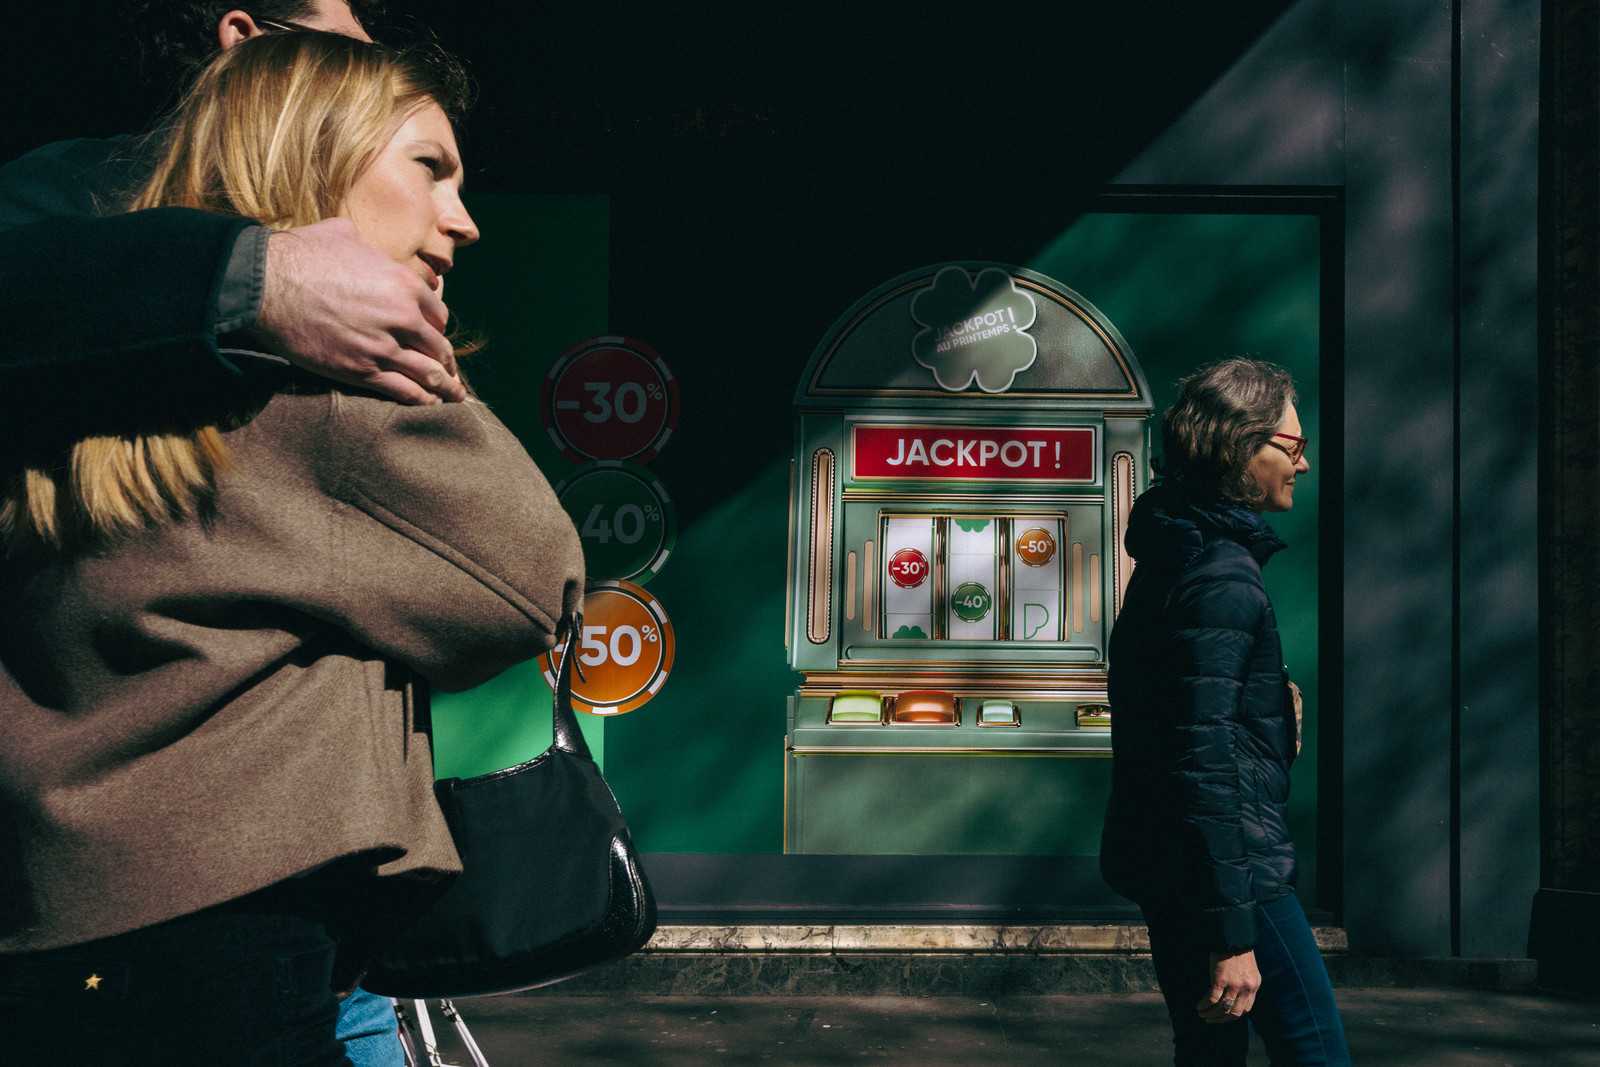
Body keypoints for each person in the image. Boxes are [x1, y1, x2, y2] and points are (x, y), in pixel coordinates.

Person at [0, 31, 584, 1067]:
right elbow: (535, 582)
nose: (464, 217)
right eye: (430, 168)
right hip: (241, 943)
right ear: (319, 162)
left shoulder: (81, 371)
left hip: (55, 927)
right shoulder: (328, 401)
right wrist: (424, 357)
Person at [0, 1, 468, 419]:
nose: (377, 70)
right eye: (347, 49)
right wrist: (259, 277)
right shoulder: (67, 180)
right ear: (246, 42)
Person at [1099, 358, 1350, 1065]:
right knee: (1318, 1052)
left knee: (1210, 1055)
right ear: (1242, 449)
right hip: (1233, 875)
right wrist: (1235, 934)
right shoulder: (1222, 577)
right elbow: (1201, 759)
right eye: (1292, 446)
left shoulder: (1178, 554)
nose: (1304, 463)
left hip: (1177, 863)